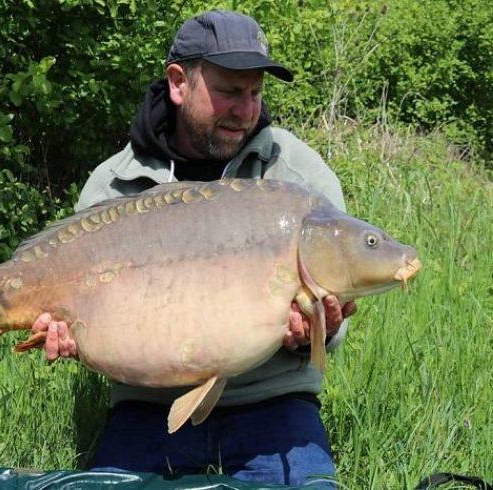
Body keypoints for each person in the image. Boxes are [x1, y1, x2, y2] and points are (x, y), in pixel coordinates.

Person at [32, 10, 356, 487]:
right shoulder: (114, 186)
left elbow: (337, 318)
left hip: (274, 403)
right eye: (229, 91)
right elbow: (91, 322)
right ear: (179, 82)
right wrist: (66, 334)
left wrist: (321, 328)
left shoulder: (297, 176)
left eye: (255, 93)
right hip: (148, 406)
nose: (246, 111)